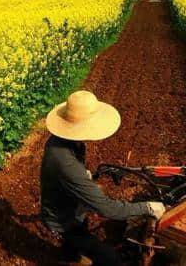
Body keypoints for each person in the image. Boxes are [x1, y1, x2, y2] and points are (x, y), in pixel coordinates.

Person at [41, 90, 166, 266]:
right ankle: (70, 255)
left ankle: (71, 258)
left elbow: (68, 173)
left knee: (78, 233)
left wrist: (82, 177)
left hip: (70, 206)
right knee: (110, 258)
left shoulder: (62, 141)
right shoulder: (65, 162)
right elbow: (108, 209)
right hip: (62, 220)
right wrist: (147, 207)